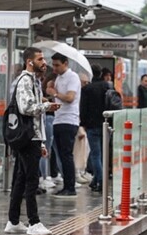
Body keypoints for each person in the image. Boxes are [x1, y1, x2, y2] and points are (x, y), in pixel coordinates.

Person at [4, 47, 59, 235]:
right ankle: (34, 222)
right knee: (31, 179)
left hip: (31, 137)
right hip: (28, 138)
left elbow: (34, 117)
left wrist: (41, 142)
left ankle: (13, 220)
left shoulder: (34, 80)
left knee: (21, 177)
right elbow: (26, 107)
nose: (44, 62)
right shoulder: (26, 80)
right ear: (30, 61)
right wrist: (47, 105)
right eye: (40, 59)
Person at [46, 53, 81, 198]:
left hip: (69, 119)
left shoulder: (72, 77)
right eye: (53, 65)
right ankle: (67, 185)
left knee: (66, 154)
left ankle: (70, 187)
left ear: (65, 63)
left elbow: (70, 98)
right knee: (60, 154)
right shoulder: (58, 78)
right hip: (58, 119)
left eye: (57, 65)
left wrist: (55, 93)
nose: (54, 68)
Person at [80, 64, 110, 192]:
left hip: (92, 125)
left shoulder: (87, 89)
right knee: (103, 154)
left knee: (95, 154)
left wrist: (83, 123)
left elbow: (83, 107)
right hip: (107, 123)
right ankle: (96, 180)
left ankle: (100, 180)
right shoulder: (108, 86)